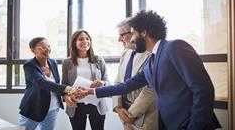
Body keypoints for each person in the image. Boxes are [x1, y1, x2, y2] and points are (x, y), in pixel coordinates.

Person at [81, 10, 222, 130]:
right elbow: (126, 86)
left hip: (192, 124)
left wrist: (194, 127)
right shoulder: (151, 61)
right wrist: (91, 91)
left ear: (143, 33)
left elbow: (203, 90)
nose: (132, 39)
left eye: (133, 33)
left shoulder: (175, 47)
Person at [19, 37, 77, 130]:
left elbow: (56, 84)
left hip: (53, 109)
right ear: (33, 51)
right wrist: (67, 88)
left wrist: (65, 95)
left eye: (48, 46)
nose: (47, 49)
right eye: (42, 47)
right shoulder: (30, 65)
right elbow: (41, 82)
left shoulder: (52, 62)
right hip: (34, 108)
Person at [113, 18, 157, 130]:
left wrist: (131, 114)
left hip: (145, 115)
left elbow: (150, 89)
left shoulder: (151, 54)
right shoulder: (125, 54)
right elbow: (118, 82)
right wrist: (117, 107)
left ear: (133, 33)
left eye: (122, 35)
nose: (119, 39)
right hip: (124, 113)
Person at [62, 30, 109, 130]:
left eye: (87, 39)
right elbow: (64, 85)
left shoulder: (98, 60)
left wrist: (102, 83)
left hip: (96, 104)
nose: (85, 41)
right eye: (81, 39)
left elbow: (107, 82)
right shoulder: (67, 62)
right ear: (74, 42)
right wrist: (66, 97)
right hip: (76, 105)